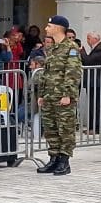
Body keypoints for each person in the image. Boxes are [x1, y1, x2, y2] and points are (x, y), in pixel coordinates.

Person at [36, 15, 82, 175]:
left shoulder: (71, 47)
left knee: (65, 128)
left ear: (57, 28)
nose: (46, 28)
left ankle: (64, 161)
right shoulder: (52, 48)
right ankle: (54, 158)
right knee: (51, 128)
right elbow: (46, 73)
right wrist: (42, 94)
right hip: (49, 95)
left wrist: (67, 94)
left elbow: (73, 72)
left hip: (63, 96)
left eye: (49, 26)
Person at [81, 31, 101, 134]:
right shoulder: (96, 49)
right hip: (92, 81)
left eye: (89, 38)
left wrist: (82, 52)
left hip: (96, 81)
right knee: (92, 105)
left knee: (95, 105)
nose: (87, 41)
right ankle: (91, 127)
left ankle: (95, 127)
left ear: (95, 39)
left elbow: (89, 61)